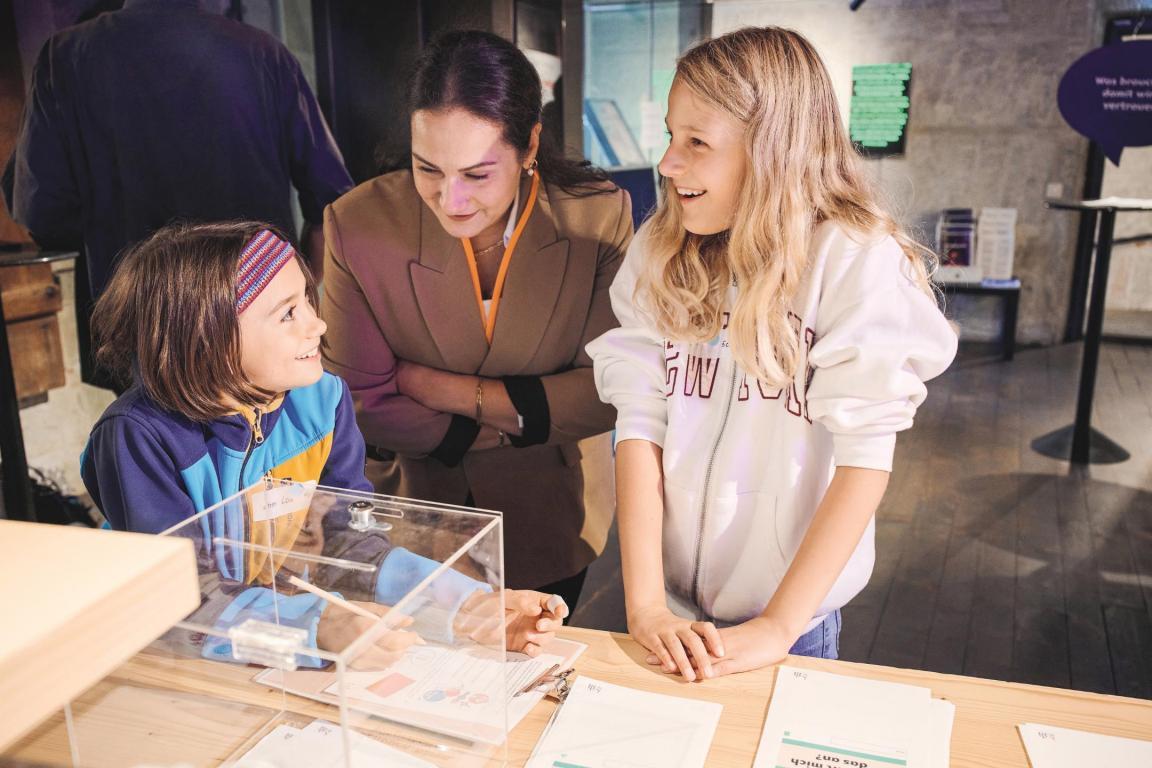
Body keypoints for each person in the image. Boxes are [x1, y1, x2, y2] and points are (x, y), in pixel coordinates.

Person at [587, 27, 958, 681]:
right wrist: (644, 603)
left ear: (773, 147)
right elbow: (637, 425)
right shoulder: (662, 248)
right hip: (665, 615)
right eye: (672, 136)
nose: (669, 164)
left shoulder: (856, 261)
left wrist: (778, 627)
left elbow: (865, 460)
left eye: (697, 142)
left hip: (789, 624)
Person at [81, 221, 566, 663]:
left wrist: (467, 605)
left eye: (307, 301)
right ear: (208, 338)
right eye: (288, 313)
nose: (318, 324)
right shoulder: (138, 436)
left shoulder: (321, 400)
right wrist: (316, 628)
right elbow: (178, 598)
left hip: (263, 643)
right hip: (163, 654)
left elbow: (346, 540)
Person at [321, 30, 633, 609]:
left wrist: (436, 386)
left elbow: (608, 389)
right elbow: (354, 399)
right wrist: (502, 418)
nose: (452, 198)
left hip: (553, 509)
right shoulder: (358, 224)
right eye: (428, 169)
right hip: (413, 519)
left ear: (530, 144)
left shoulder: (595, 217)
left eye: (478, 173)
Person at [7, 0, 352, 386]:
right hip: (258, 323)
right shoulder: (264, 52)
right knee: (276, 441)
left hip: (142, 330)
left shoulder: (65, 58)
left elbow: (40, 211)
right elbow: (333, 203)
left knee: (148, 442)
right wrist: (290, 295)